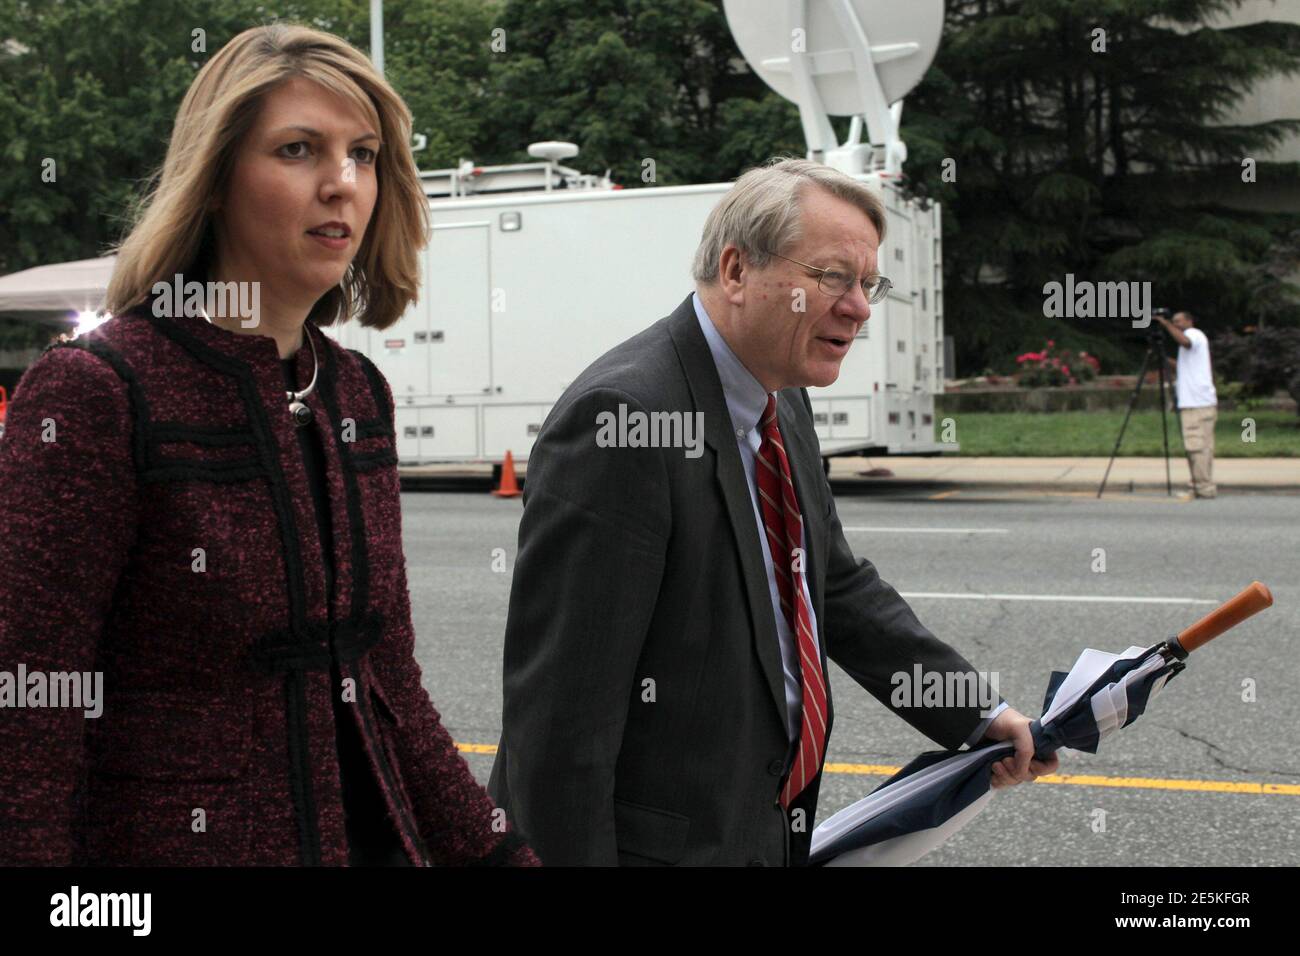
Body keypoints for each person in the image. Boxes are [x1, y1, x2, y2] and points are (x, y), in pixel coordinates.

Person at [0, 22, 537, 867]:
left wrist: (502, 856)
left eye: (364, 155)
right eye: (298, 150)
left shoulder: (357, 390)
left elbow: (393, 685)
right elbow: (30, 711)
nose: (342, 184)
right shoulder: (97, 390)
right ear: (213, 181)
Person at [487, 157, 1058, 866]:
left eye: (867, 283)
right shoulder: (625, 420)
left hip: (763, 831)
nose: (858, 306)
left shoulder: (781, 392)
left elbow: (836, 590)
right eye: (831, 278)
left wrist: (975, 714)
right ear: (736, 271)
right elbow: (562, 721)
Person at [1155, 309, 1218, 498]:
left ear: (1189, 321)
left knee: (1196, 447)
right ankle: (1202, 485)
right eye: (1173, 322)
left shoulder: (1193, 334)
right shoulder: (1193, 343)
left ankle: (1201, 487)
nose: (1175, 325)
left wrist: (1165, 324)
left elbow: (1184, 341)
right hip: (1202, 401)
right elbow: (1183, 364)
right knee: (1203, 448)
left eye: (1178, 321)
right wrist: (1163, 358)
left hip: (1195, 404)